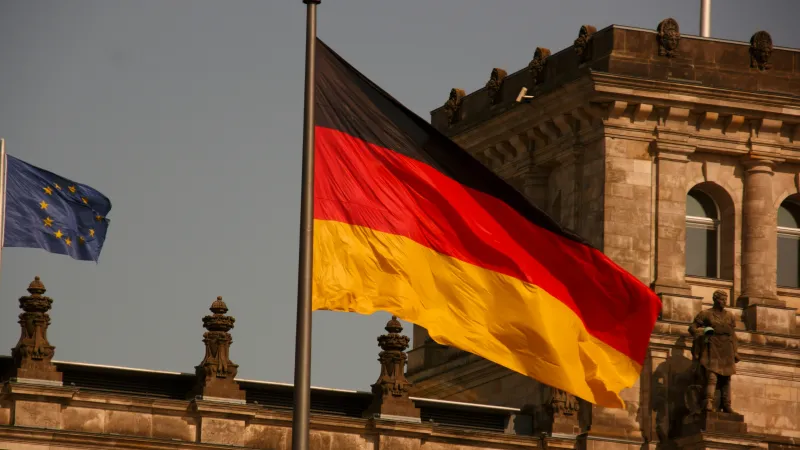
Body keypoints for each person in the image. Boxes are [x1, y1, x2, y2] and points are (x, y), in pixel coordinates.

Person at [688, 290, 740, 413]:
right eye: (722, 299)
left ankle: (727, 405)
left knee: (727, 378)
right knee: (712, 376)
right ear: (715, 300)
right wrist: (705, 331)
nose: (724, 302)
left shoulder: (730, 316)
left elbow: (733, 335)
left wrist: (736, 351)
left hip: (727, 349)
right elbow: (692, 328)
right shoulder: (706, 314)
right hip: (712, 348)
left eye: (725, 299)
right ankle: (708, 402)